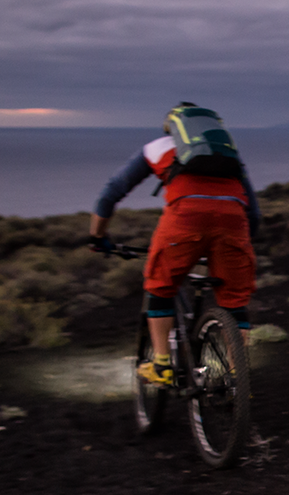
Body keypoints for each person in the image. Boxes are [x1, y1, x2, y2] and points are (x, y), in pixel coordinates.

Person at [89, 103, 261, 386]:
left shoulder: (158, 148)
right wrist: (241, 243)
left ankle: (161, 365)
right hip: (233, 222)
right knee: (234, 299)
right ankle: (237, 378)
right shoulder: (228, 154)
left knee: (160, 285)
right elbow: (253, 213)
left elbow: (111, 193)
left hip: (185, 220)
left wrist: (97, 237)